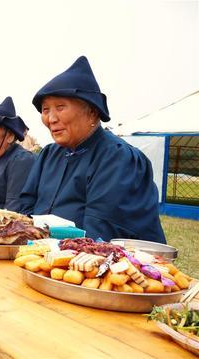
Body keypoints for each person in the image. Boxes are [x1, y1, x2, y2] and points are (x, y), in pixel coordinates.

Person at [19, 56, 166, 243]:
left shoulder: (118, 157)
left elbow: (101, 233)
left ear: (92, 113)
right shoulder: (49, 154)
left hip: (98, 263)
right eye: (46, 110)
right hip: (43, 257)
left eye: (60, 107)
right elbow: (25, 209)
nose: (51, 118)